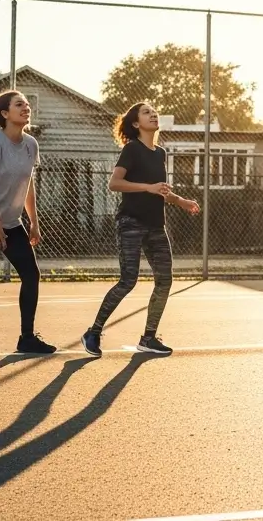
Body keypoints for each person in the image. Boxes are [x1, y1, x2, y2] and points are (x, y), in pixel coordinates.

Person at [81, 102, 200, 357]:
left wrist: (181, 201)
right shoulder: (132, 149)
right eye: (146, 112)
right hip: (131, 223)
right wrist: (147, 187)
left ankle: (148, 337)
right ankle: (93, 332)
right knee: (128, 281)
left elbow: (161, 189)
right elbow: (115, 183)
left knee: (165, 280)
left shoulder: (160, 153)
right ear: (136, 124)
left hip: (156, 225)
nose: (153, 114)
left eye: (154, 111)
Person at [0, 89, 55, 355]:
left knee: (31, 275)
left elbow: (26, 183)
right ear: (4, 113)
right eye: (19, 104)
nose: (26, 108)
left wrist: (34, 220)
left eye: (27, 104)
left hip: (11, 221)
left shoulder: (31, 144)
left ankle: (27, 338)